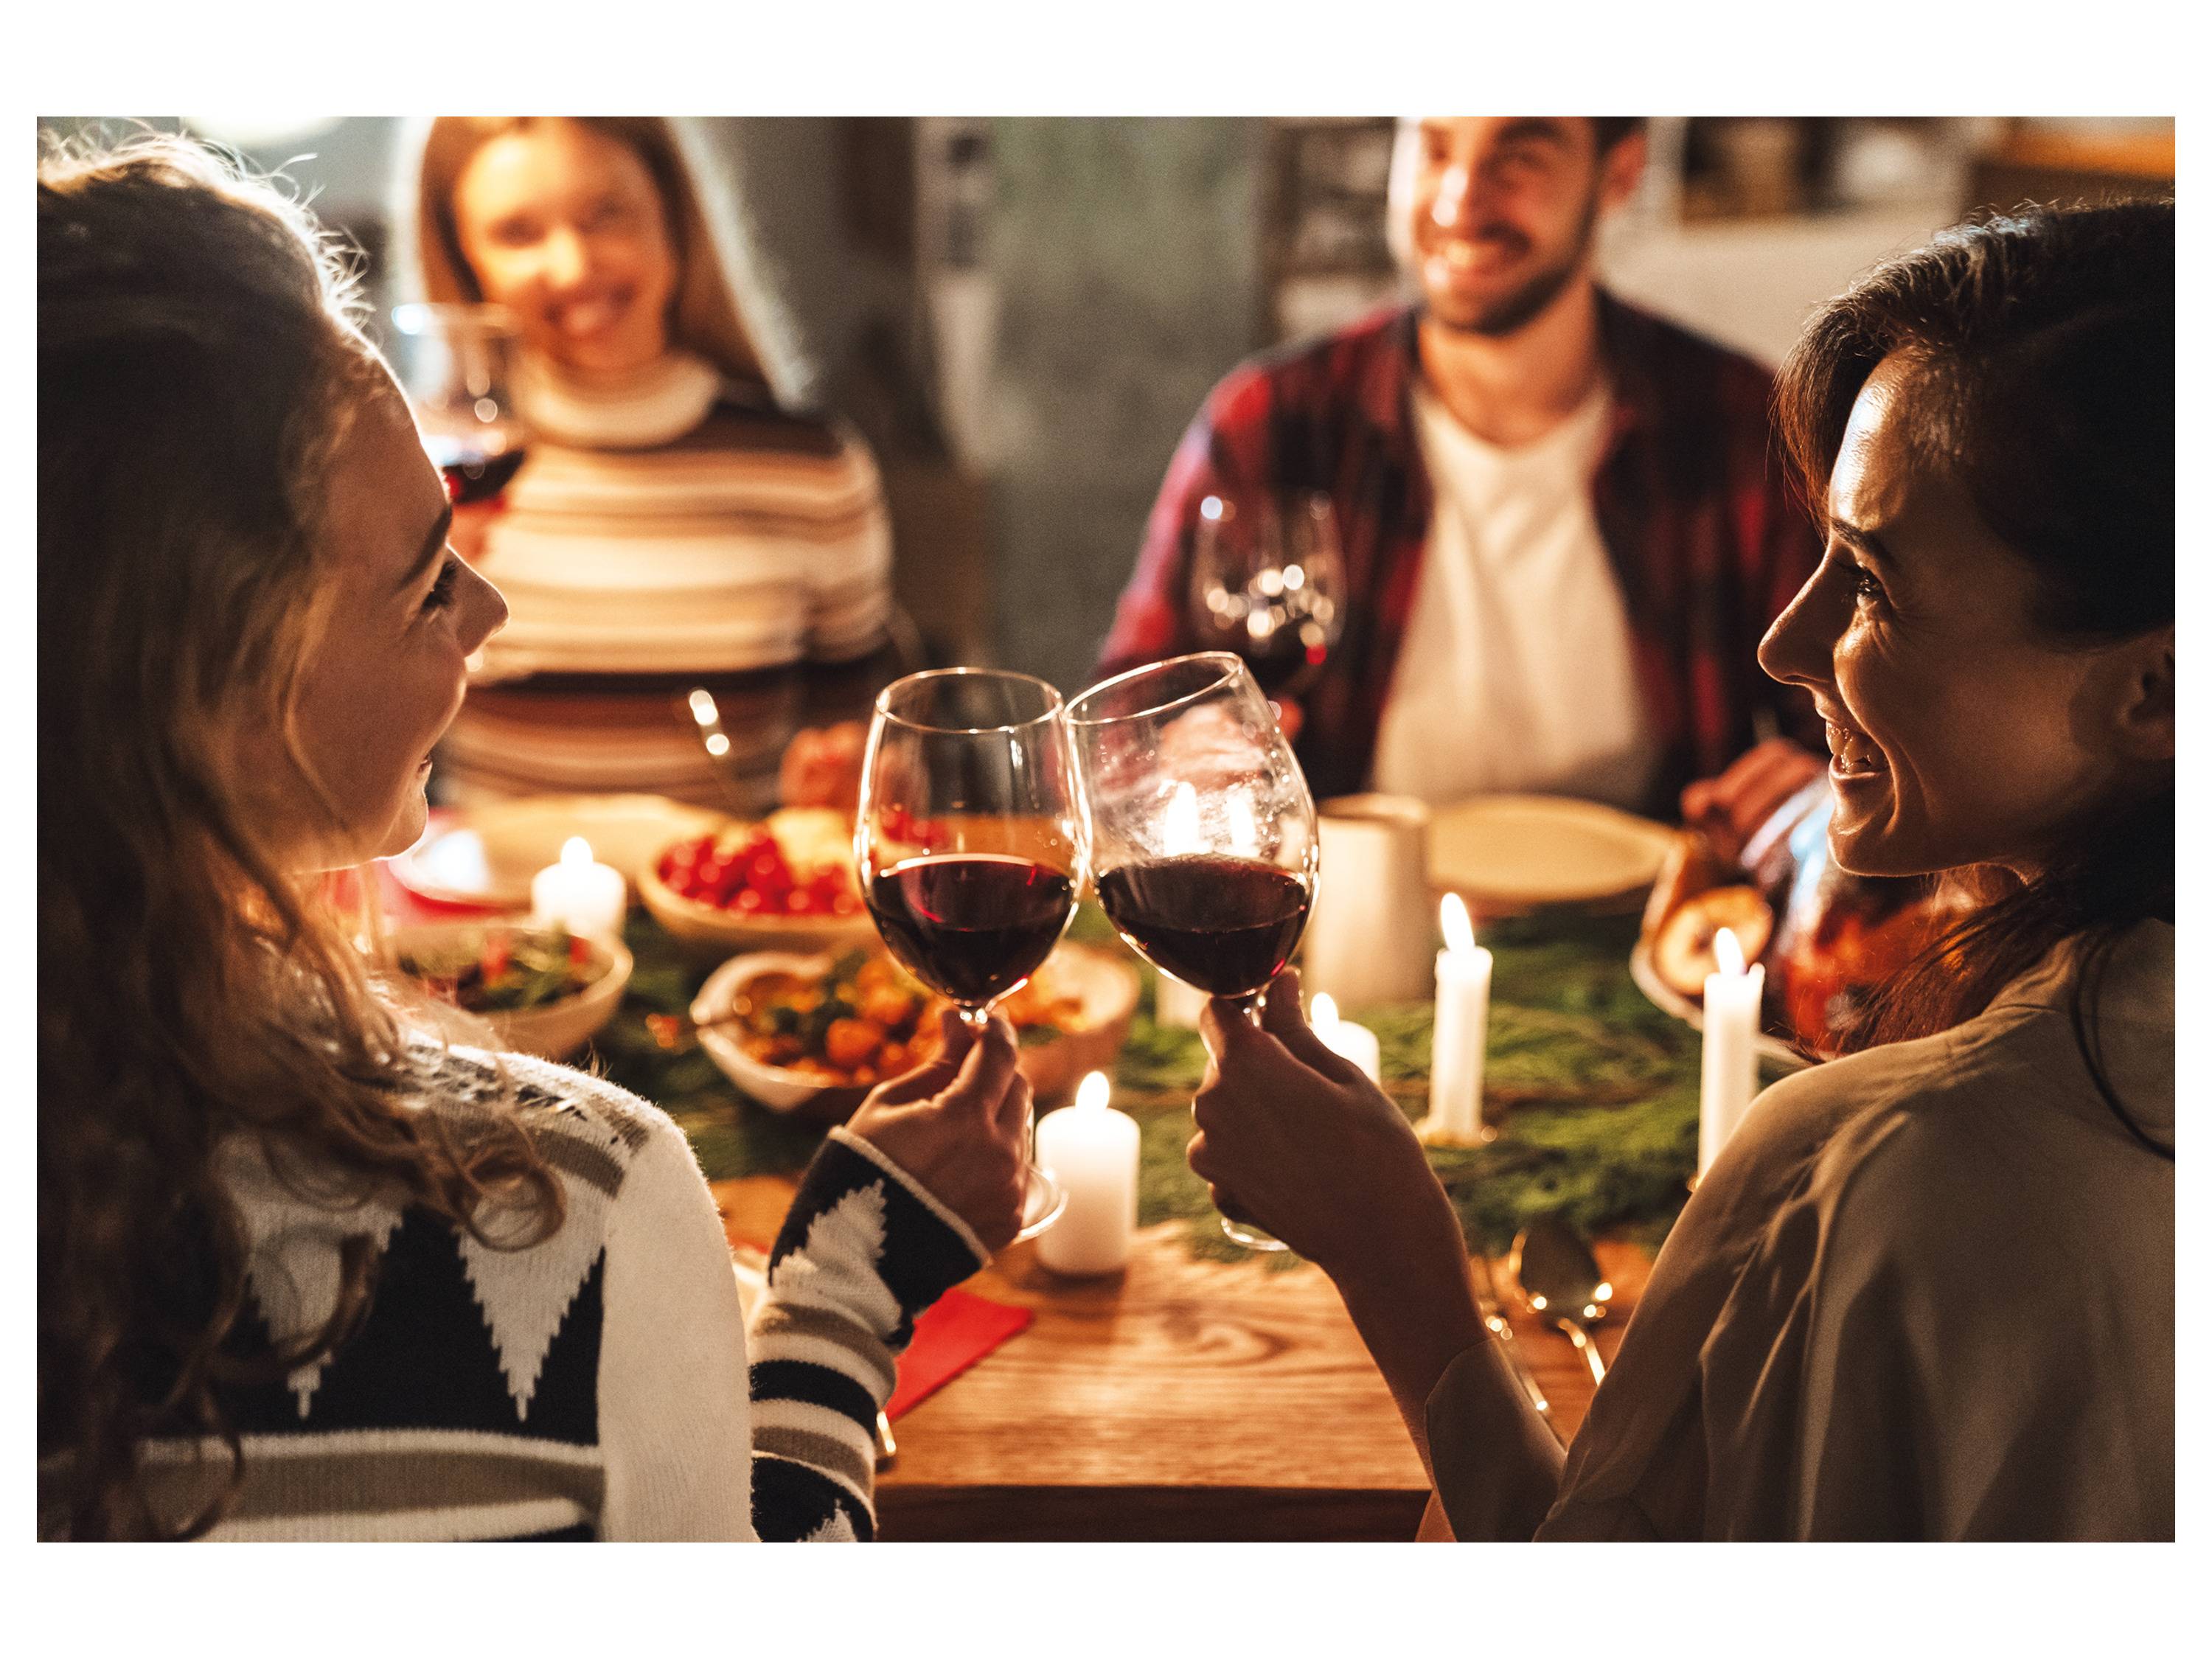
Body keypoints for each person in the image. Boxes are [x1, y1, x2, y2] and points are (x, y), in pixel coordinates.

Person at [38, 134, 1028, 1542]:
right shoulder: (559, 1212)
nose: (489, 617)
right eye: (427, 583)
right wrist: (851, 1284)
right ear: (230, 679)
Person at [1183, 199, 2174, 1540]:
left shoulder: (1877, 1171)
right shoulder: (1284, 409)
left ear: (2158, 689)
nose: (1785, 639)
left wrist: (1393, 1254)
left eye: (1872, 583)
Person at [1097, 116, 1823, 849]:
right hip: (1349, 926)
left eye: (1520, 157)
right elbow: (1125, 723)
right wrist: (1178, 747)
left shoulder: (1746, 426)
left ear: (1620, 175)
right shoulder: (1274, 420)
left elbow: (1863, 735)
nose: (1459, 200)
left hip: (1660, 935)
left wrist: (1816, 793)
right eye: (1436, 149)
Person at [402, 116, 898, 810]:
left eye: (606, 215)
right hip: (483, 909)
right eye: (519, 234)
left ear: (673, 214)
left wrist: (848, 776)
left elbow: (865, 744)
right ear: (462, 258)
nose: (574, 267)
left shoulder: (810, 467)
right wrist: (405, 603)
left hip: (725, 905)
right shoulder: (418, 471)